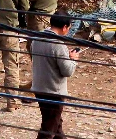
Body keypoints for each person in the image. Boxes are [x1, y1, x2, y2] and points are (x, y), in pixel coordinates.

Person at [31, 11, 82, 139]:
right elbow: (67, 71)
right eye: (69, 27)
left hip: (39, 88)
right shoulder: (59, 44)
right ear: (64, 27)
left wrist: (64, 56)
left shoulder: (36, 39)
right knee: (48, 129)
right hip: (54, 92)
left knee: (55, 123)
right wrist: (73, 59)